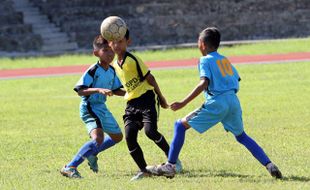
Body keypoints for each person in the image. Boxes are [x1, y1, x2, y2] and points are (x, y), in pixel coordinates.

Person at [153, 27, 282, 179]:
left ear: (202, 44)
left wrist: (183, 103)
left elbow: (204, 83)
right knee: (241, 136)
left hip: (217, 102)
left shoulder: (204, 60)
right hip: (233, 101)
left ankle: (170, 165)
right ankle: (269, 165)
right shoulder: (224, 59)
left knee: (179, 125)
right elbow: (236, 79)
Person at [108, 29, 182, 181]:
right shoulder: (115, 64)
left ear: (128, 42)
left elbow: (151, 78)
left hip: (147, 98)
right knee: (129, 137)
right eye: (114, 42)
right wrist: (109, 91)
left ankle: (173, 161)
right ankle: (144, 170)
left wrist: (161, 98)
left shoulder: (133, 60)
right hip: (131, 103)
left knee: (150, 132)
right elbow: (126, 87)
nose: (117, 45)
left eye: (120, 41)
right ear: (110, 43)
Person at [60, 35, 125, 178]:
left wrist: (130, 94)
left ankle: (92, 152)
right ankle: (70, 167)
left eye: (111, 50)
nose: (110, 54)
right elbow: (80, 90)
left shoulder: (112, 70)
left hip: (101, 107)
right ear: (96, 53)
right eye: (105, 50)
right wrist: (98, 89)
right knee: (98, 138)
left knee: (117, 137)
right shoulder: (93, 70)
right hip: (89, 106)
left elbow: (116, 90)